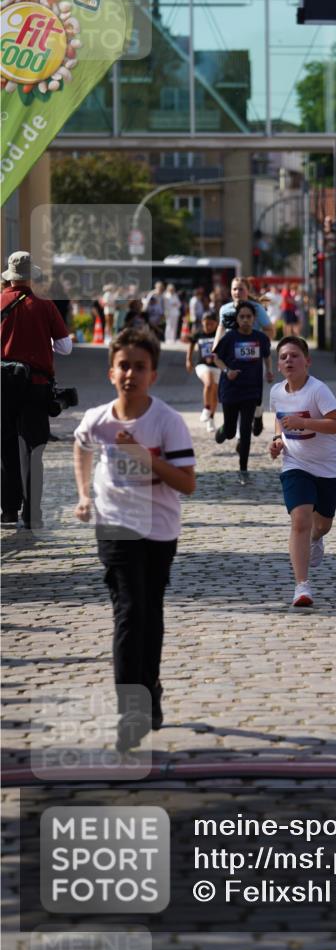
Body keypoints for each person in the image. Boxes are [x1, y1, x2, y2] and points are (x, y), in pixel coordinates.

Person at [73, 327, 196, 751]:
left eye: (139, 367)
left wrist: (144, 460)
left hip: (159, 527)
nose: (131, 374)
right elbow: (81, 444)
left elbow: (187, 483)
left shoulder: (167, 422)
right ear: (111, 373)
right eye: (124, 366)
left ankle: (151, 685)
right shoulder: (98, 419)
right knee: (128, 610)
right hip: (115, 525)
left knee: (150, 609)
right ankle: (132, 710)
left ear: (153, 375)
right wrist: (85, 493)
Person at [269, 336, 336, 608]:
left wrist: (304, 421)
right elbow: (279, 421)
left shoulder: (318, 390)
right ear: (278, 365)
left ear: (307, 361)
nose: (288, 360)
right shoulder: (276, 392)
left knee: (321, 525)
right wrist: (277, 440)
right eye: (283, 357)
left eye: (294, 355)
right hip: (295, 465)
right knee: (300, 519)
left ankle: (316, 537)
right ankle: (302, 586)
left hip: (328, 468)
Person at [1, 252, 72, 529]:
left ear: (9, 276)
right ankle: (32, 513)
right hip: (36, 385)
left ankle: (8, 509)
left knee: (5, 447)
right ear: (31, 277)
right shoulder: (45, 306)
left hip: (2, 385)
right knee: (34, 449)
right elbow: (65, 348)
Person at [213, 301, 273, 484]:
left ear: (254, 319)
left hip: (251, 389)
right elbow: (216, 357)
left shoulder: (260, 338)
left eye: (249, 317)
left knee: (245, 431)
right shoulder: (230, 338)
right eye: (242, 317)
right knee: (231, 432)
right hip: (231, 389)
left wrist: (269, 371)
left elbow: (266, 355)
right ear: (237, 319)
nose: (246, 320)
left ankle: (243, 470)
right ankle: (223, 430)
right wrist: (227, 371)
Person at [214, 277, 274, 438]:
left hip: (252, 361)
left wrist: (257, 343)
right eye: (234, 289)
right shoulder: (225, 309)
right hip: (230, 359)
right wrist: (215, 348)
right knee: (231, 395)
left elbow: (270, 330)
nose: (237, 292)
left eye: (241, 289)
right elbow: (220, 328)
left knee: (254, 399)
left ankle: (258, 415)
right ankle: (231, 429)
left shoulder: (256, 309)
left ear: (248, 291)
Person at [186, 310, 220, 434]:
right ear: (202, 323)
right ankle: (206, 408)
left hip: (217, 366)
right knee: (208, 383)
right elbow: (190, 345)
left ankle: (211, 419)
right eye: (206, 324)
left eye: (211, 324)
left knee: (215, 395)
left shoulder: (219, 333)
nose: (208, 326)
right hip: (202, 365)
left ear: (216, 323)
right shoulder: (198, 334)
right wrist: (188, 360)